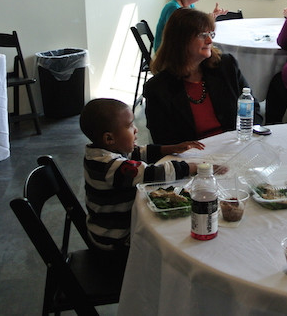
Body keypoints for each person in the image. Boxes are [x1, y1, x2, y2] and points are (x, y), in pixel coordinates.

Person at [79, 98, 203, 252]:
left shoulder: (103, 151)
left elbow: (139, 152)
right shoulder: (110, 166)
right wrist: (191, 167)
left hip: (111, 228)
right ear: (109, 138)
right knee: (177, 239)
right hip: (115, 239)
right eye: (130, 125)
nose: (136, 129)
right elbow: (151, 174)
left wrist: (172, 148)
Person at [143, 8, 262, 144]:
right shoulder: (158, 88)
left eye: (211, 34)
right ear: (181, 40)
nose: (210, 40)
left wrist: (246, 139)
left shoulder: (226, 66)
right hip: (193, 155)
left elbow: (253, 108)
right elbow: (164, 142)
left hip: (236, 145)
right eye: (202, 35)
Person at [154, 0, 227, 51]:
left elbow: (195, 25)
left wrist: (211, 17)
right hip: (168, 50)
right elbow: (186, 32)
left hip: (181, 45)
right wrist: (207, 20)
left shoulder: (190, 5)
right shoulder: (173, 8)